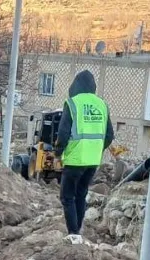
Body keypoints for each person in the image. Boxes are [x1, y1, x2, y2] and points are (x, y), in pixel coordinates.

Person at [55, 70, 115, 238]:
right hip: (92, 161)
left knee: (67, 197)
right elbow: (110, 135)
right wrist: (96, 148)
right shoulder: (102, 104)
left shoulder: (72, 103)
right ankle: (78, 230)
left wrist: (58, 153)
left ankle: (73, 234)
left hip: (75, 159)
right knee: (81, 195)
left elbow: (63, 133)